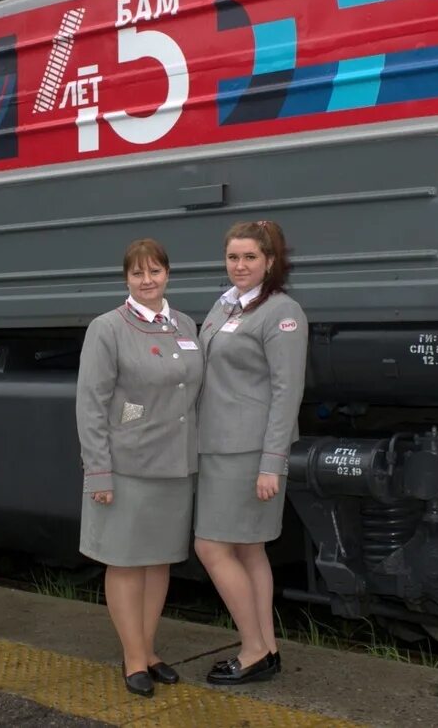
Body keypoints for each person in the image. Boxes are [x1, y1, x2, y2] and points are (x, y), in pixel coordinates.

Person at [76, 238, 204, 698]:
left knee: (159, 560)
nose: (147, 281)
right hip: (128, 464)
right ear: (126, 279)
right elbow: (90, 405)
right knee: (127, 562)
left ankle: (149, 649)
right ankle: (133, 657)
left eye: (155, 272)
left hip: (174, 464)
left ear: (168, 274)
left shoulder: (185, 324)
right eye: (137, 274)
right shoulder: (107, 328)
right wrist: (99, 472)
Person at [194, 220, 308, 685]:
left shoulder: (283, 312)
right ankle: (268, 647)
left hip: (246, 451)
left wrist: (272, 463)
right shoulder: (226, 306)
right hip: (218, 444)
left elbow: (287, 391)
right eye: (233, 257)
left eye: (250, 258)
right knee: (249, 549)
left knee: (210, 546)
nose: (240, 266)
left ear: (270, 262)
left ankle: (252, 648)